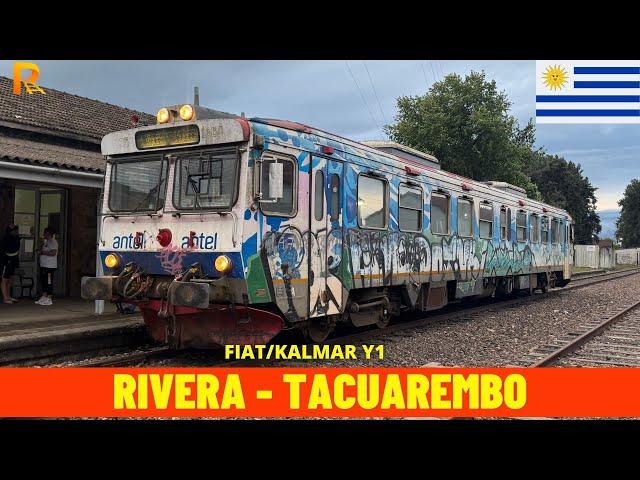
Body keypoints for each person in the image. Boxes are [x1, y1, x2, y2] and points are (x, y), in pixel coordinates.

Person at [35, 227, 58, 306]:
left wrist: (42, 252)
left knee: (49, 281)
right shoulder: (46, 242)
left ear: (48, 234)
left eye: (45, 233)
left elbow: (53, 253)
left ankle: (49, 297)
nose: (43, 234)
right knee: (43, 281)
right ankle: (44, 296)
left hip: (49, 266)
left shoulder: (53, 242)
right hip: (44, 266)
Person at [1, 224, 20, 304]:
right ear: (10, 231)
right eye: (15, 230)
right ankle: (5, 298)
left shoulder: (16, 238)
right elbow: (3, 250)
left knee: (10, 279)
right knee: (4, 279)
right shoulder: (5, 238)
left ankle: (8, 296)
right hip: (7, 260)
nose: (16, 231)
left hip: (14, 260)